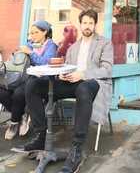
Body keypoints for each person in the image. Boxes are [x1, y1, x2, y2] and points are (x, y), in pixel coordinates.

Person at [24, 9, 113, 173]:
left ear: (95, 25)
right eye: (84, 23)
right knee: (33, 85)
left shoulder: (104, 43)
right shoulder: (73, 47)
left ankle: (76, 150)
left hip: (92, 83)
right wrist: (64, 74)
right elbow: (68, 67)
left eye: (90, 23)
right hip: (72, 82)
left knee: (84, 89)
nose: (87, 26)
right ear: (80, 24)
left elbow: (107, 70)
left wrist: (83, 74)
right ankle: (41, 134)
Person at [0, 20, 57, 140]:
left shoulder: (51, 46)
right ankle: (22, 115)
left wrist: (30, 53)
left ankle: (14, 123)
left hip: (40, 80)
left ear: (44, 32)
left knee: (18, 94)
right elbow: (17, 62)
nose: (32, 36)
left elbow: (46, 63)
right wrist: (16, 55)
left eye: (35, 32)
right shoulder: (29, 44)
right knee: (2, 91)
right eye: (31, 33)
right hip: (22, 78)